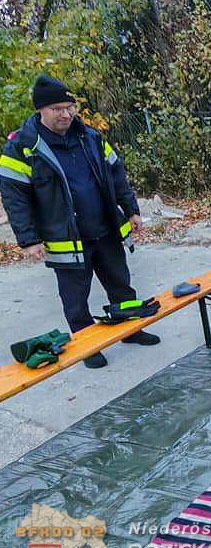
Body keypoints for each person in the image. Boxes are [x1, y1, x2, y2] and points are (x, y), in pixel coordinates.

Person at [0, 74, 159, 368]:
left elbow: (116, 173)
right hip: (65, 238)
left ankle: (130, 330)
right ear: (41, 110)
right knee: (75, 299)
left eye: (69, 106)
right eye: (58, 108)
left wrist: (132, 209)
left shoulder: (89, 136)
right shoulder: (23, 147)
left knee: (121, 285)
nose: (66, 114)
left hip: (106, 229)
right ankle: (88, 347)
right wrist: (29, 239)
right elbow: (14, 198)